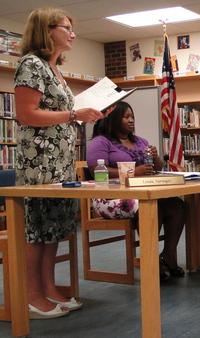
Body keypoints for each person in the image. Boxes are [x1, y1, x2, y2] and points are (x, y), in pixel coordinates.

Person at [14, 7, 107, 319]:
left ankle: (50, 288)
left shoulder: (54, 70)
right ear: (46, 29)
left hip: (61, 161)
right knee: (37, 227)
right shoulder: (31, 64)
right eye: (66, 27)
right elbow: (26, 114)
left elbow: (62, 112)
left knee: (55, 226)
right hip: (38, 161)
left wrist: (83, 113)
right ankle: (31, 294)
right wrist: (73, 115)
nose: (73, 34)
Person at [86, 101, 186, 281]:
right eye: (126, 117)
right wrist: (132, 173)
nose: (131, 121)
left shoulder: (139, 141)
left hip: (142, 192)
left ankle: (168, 255)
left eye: (132, 117)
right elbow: (96, 170)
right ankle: (152, 260)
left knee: (177, 205)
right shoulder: (100, 142)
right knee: (150, 207)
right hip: (110, 197)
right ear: (113, 118)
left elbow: (157, 168)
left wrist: (155, 157)